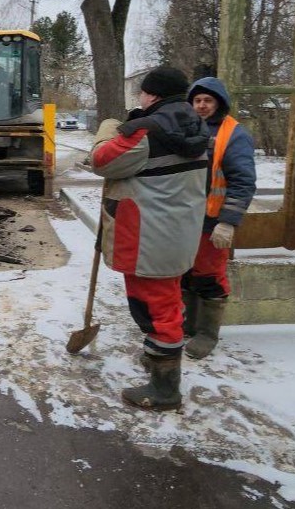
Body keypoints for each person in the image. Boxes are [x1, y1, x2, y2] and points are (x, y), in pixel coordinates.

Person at [89, 66, 209, 411]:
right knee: (163, 302)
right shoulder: (194, 124)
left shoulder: (144, 131)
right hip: (175, 235)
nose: (140, 97)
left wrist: (109, 129)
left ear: (152, 95)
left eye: (142, 92)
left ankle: (165, 389)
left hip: (148, 237)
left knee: (158, 310)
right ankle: (158, 358)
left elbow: (101, 160)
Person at [183, 76, 256, 359]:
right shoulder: (185, 130)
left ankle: (207, 333)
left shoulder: (234, 134)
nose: (201, 106)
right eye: (197, 100)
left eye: (207, 101)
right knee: (185, 273)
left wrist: (228, 221)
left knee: (209, 276)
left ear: (219, 103)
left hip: (212, 222)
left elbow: (243, 181)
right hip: (184, 220)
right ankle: (188, 324)